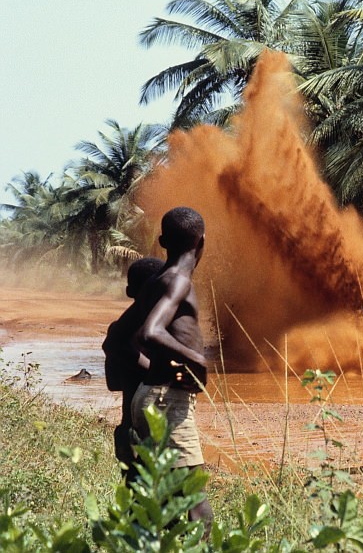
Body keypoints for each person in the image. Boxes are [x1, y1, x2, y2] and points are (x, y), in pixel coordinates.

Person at [131, 206, 213, 530]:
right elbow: (150, 332)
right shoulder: (179, 281)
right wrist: (197, 361)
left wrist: (162, 371)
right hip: (167, 402)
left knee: (163, 502)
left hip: (152, 395)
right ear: (202, 241)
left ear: (162, 241)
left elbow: (132, 339)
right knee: (197, 508)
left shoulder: (156, 281)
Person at [102, 256, 164, 485]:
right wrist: (155, 373)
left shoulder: (118, 331)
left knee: (134, 495)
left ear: (129, 291)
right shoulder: (165, 331)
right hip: (161, 433)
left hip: (129, 431)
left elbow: (113, 384)